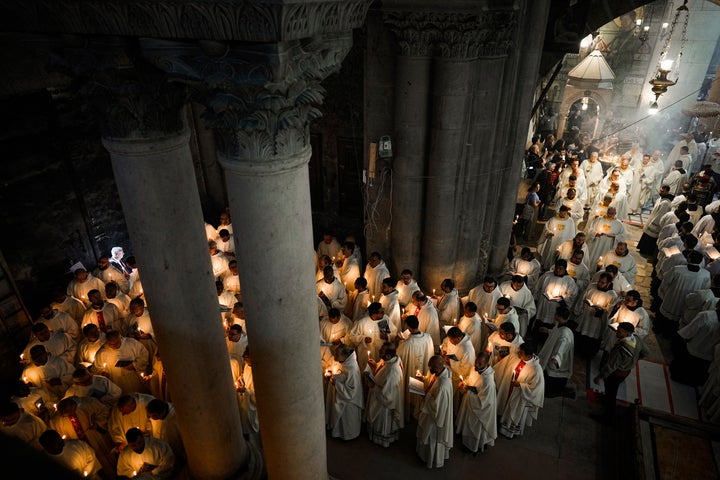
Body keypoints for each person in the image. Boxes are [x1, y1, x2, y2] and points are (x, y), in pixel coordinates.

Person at [593, 322, 647, 422]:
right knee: (611, 391)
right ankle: (606, 400)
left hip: (616, 374)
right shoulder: (637, 338)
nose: (616, 331)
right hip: (626, 371)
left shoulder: (622, 348)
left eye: (619, 330)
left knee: (611, 394)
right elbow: (646, 352)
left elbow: (611, 366)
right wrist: (634, 360)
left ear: (627, 333)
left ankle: (608, 417)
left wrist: (599, 377)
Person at [50, 396, 116, 475]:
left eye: (68, 414)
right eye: (64, 415)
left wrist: (97, 424)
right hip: (81, 448)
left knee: (106, 461)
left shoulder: (89, 403)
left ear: (74, 406)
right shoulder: (57, 419)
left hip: (95, 438)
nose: (67, 417)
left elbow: (105, 412)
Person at [495, 343, 545, 438]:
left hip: (519, 396)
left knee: (512, 412)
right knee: (503, 405)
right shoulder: (516, 357)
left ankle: (509, 432)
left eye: (521, 353)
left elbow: (535, 389)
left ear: (529, 356)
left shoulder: (536, 370)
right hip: (508, 388)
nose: (518, 353)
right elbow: (502, 367)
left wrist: (520, 385)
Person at [415, 355, 453, 468]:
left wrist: (425, 396)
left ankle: (430, 458)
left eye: (431, 367)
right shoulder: (442, 372)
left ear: (437, 368)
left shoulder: (443, 385)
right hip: (430, 413)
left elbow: (437, 408)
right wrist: (423, 378)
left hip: (435, 419)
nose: (429, 369)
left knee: (432, 437)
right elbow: (431, 382)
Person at [455, 352, 497, 454]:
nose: (476, 366)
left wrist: (468, 391)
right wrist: (464, 383)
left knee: (474, 429)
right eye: (476, 362)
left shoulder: (488, 381)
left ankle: (474, 447)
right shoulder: (475, 370)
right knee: (467, 425)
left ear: (487, 364)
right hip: (469, 404)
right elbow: (470, 379)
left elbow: (484, 403)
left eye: (480, 364)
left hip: (479, 412)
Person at [365, 342, 404, 447]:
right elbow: (382, 370)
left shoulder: (393, 371)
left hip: (384, 407)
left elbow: (388, 397)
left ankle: (383, 439)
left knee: (382, 422)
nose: (378, 352)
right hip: (380, 395)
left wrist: (373, 386)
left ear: (388, 355)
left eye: (381, 351)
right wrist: (375, 366)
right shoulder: (392, 360)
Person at [396, 315, 434, 419]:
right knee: (420, 392)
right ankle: (419, 412)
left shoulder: (407, 343)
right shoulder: (428, 337)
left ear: (409, 328)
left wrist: (400, 341)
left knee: (412, 393)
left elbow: (399, 358)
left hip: (411, 371)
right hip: (424, 370)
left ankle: (412, 412)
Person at [324, 344, 363, 440]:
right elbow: (343, 377)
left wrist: (335, 383)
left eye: (337, 354)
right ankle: (341, 433)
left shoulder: (352, 369)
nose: (335, 356)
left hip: (350, 403)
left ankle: (349, 435)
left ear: (345, 356)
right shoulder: (347, 363)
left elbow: (351, 392)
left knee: (348, 420)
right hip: (344, 397)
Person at [92, 330, 150, 394]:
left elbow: (144, 354)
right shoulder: (102, 352)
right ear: (107, 342)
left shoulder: (132, 343)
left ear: (120, 338)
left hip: (134, 378)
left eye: (117, 343)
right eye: (111, 344)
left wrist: (134, 365)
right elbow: (96, 368)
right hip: (117, 381)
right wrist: (102, 372)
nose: (115, 346)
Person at [538, 307, 574, 397]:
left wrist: (557, 357)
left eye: (556, 314)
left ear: (558, 316)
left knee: (553, 376)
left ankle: (552, 392)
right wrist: (547, 330)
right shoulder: (561, 325)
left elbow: (562, 345)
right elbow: (556, 333)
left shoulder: (565, 332)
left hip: (558, 359)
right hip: (553, 354)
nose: (555, 315)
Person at [146, 399, 185, 465]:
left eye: (152, 416)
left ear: (157, 415)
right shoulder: (157, 416)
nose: (150, 418)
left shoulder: (175, 419)